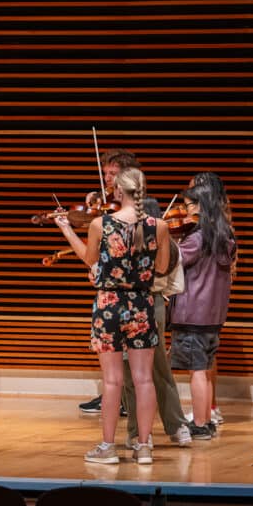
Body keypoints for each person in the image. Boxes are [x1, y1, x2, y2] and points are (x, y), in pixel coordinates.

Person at [55, 167, 170, 464]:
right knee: (144, 379)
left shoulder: (100, 224)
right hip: (142, 303)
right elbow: (161, 270)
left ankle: (108, 447)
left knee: (112, 381)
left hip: (109, 304)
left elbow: (89, 259)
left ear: (118, 191)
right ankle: (144, 446)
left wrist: (67, 229)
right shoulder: (159, 225)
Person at [121, 197, 192, 448]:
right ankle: (177, 427)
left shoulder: (127, 243)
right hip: (156, 304)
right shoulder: (170, 245)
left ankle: (136, 434)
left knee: (132, 371)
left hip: (129, 304)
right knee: (159, 368)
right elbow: (177, 286)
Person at [171, 177, 236, 440]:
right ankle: (206, 420)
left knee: (196, 371)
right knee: (205, 368)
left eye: (188, 206)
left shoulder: (198, 237)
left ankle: (199, 424)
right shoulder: (225, 235)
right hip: (213, 315)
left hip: (193, 314)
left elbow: (175, 261)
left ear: (201, 206)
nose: (186, 211)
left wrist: (167, 243)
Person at [79, 148, 141, 415]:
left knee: (132, 364)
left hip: (126, 296)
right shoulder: (104, 210)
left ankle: (123, 403)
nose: (107, 179)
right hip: (119, 293)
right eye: (105, 173)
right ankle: (114, 398)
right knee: (119, 359)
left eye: (113, 174)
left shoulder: (144, 211)